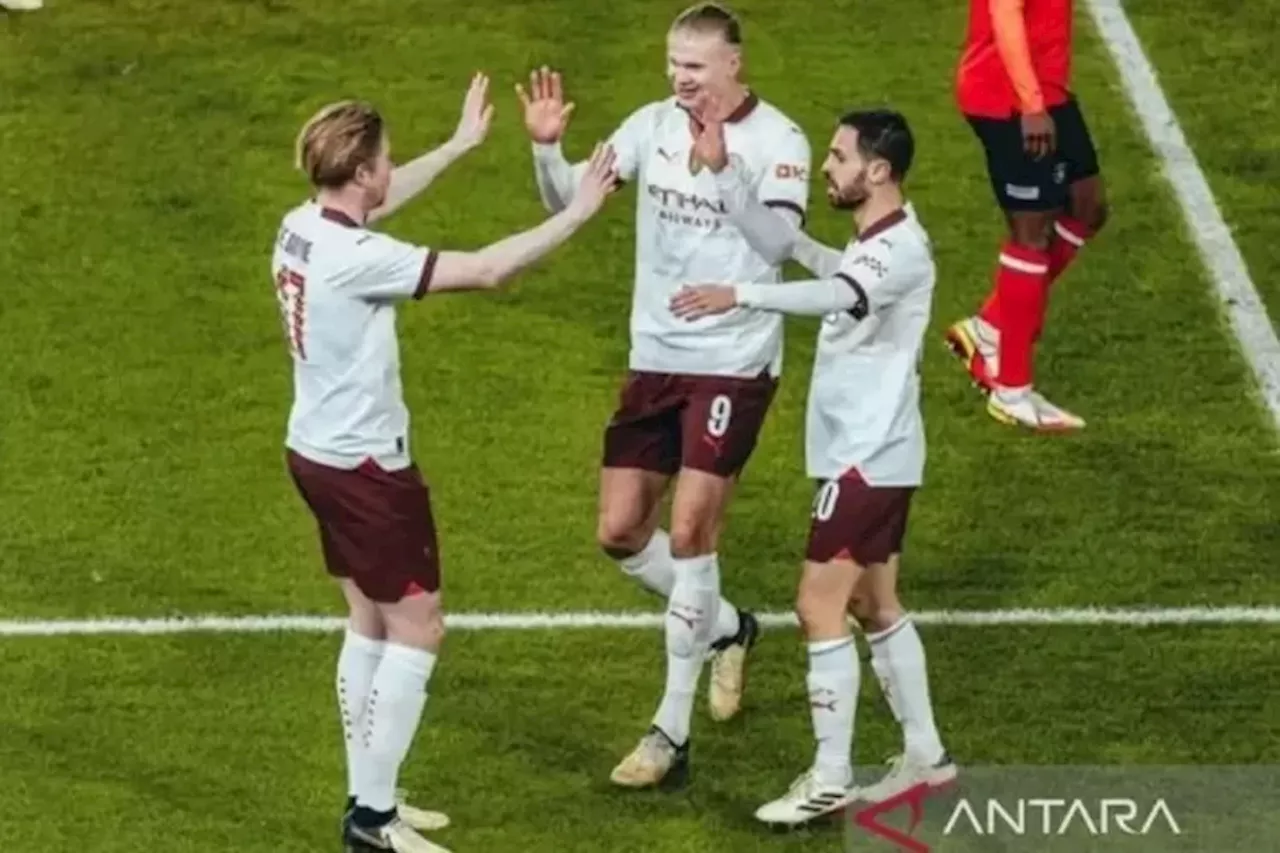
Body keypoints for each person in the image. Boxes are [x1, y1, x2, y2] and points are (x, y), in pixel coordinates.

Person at [274, 75, 620, 852]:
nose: (391, 169)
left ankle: (372, 792)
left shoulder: (301, 224)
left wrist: (462, 146)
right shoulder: (356, 258)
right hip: (366, 469)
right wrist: (576, 212)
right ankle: (373, 819)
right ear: (361, 171)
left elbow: (378, 209)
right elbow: (489, 269)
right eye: (386, 159)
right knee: (420, 625)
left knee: (368, 617)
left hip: (316, 453)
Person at [516, 1, 813, 789]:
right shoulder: (650, 125)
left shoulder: (778, 142)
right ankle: (729, 629)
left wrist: (722, 167)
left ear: (733, 66)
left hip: (734, 360)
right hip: (656, 357)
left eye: (695, 65)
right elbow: (568, 203)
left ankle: (669, 732)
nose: (680, 77)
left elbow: (781, 247)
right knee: (619, 532)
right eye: (673, 63)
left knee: (690, 535)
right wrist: (549, 153)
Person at [669, 108, 955, 826]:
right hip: (868, 455)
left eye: (839, 156)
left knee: (815, 605)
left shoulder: (899, 253)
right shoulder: (873, 243)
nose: (827, 167)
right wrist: (726, 175)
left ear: (878, 171)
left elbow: (837, 293)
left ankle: (830, 774)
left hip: (869, 458)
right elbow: (790, 244)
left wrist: (741, 294)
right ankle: (926, 754)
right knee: (872, 604)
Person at [945, 0, 1108, 431]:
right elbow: (1004, 12)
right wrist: (1032, 105)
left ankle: (989, 328)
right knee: (1030, 234)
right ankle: (1011, 392)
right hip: (1009, 99)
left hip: (1049, 91)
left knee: (1087, 206)